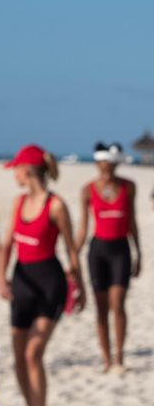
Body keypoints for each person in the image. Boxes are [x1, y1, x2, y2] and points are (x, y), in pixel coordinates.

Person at [0, 144, 84, 406]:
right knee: (19, 358)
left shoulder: (56, 205)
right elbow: (8, 244)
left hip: (51, 285)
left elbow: (72, 250)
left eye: (17, 169)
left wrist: (79, 284)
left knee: (33, 353)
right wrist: (0, 275)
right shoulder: (19, 203)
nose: (14, 174)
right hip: (22, 282)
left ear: (28, 170)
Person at [75, 143, 141, 374]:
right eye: (102, 163)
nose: (106, 167)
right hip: (98, 252)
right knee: (101, 309)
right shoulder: (87, 190)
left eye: (110, 163)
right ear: (97, 163)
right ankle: (106, 359)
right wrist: (74, 255)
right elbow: (83, 228)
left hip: (121, 250)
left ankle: (119, 358)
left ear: (115, 163)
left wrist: (139, 253)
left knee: (118, 304)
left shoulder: (129, 187)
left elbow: (132, 222)